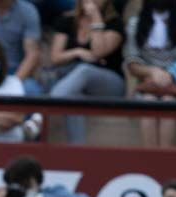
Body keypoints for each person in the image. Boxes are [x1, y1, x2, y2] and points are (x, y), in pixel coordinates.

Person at [48, 0, 126, 144]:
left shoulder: (115, 23)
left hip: (110, 84)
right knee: (73, 97)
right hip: (74, 84)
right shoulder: (68, 20)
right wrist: (78, 52)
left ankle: (46, 108)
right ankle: (77, 152)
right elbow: (55, 57)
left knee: (84, 70)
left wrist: (96, 18)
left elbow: (98, 52)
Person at [123, 0, 176, 148]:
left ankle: (165, 161)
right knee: (149, 101)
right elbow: (132, 62)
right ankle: (151, 161)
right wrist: (152, 72)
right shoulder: (135, 22)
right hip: (147, 85)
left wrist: (170, 76)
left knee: (168, 101)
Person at [0, 156, 91, 197]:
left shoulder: (53, 192)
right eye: (15, 184)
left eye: (24, 184)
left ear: (33, 180)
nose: (21, 189)